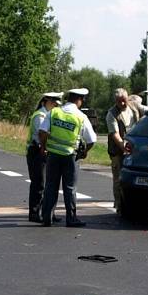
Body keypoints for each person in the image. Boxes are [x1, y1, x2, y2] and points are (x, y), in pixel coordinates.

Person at [39, 88, 97, 227]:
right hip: (71, 157)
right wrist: (84, 152)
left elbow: (42, 131)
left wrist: (43, 147)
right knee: (70, 188)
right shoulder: (80, 117)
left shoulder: (54, 112)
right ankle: (71, 218)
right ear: (79, 99)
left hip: (53, 155)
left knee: (51, 186)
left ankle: (47, 217)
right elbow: (91, 140)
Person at [25, 91, 62, 223]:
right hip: (37, 151)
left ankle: (48, 212)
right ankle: (34, 213)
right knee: (39, 184)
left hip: (47, 151)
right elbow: (42, 134)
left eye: (56, 103)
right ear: (45, 101)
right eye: (53, 103)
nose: (55, 105)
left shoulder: (50, 115)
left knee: (49, 184)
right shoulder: (40, 115)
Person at [106, 88, 143, 215]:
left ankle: (134, 205)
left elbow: (147, 114)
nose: (122, 104)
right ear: (115, 101)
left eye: (124, 100)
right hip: (118, 151)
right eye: (119, 101)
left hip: (134, 149)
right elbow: (115, 134)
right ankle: (120, 207)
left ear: (128, 98)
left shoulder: (134, 108)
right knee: (119, 180)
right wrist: (124, 147)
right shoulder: (111, 114)